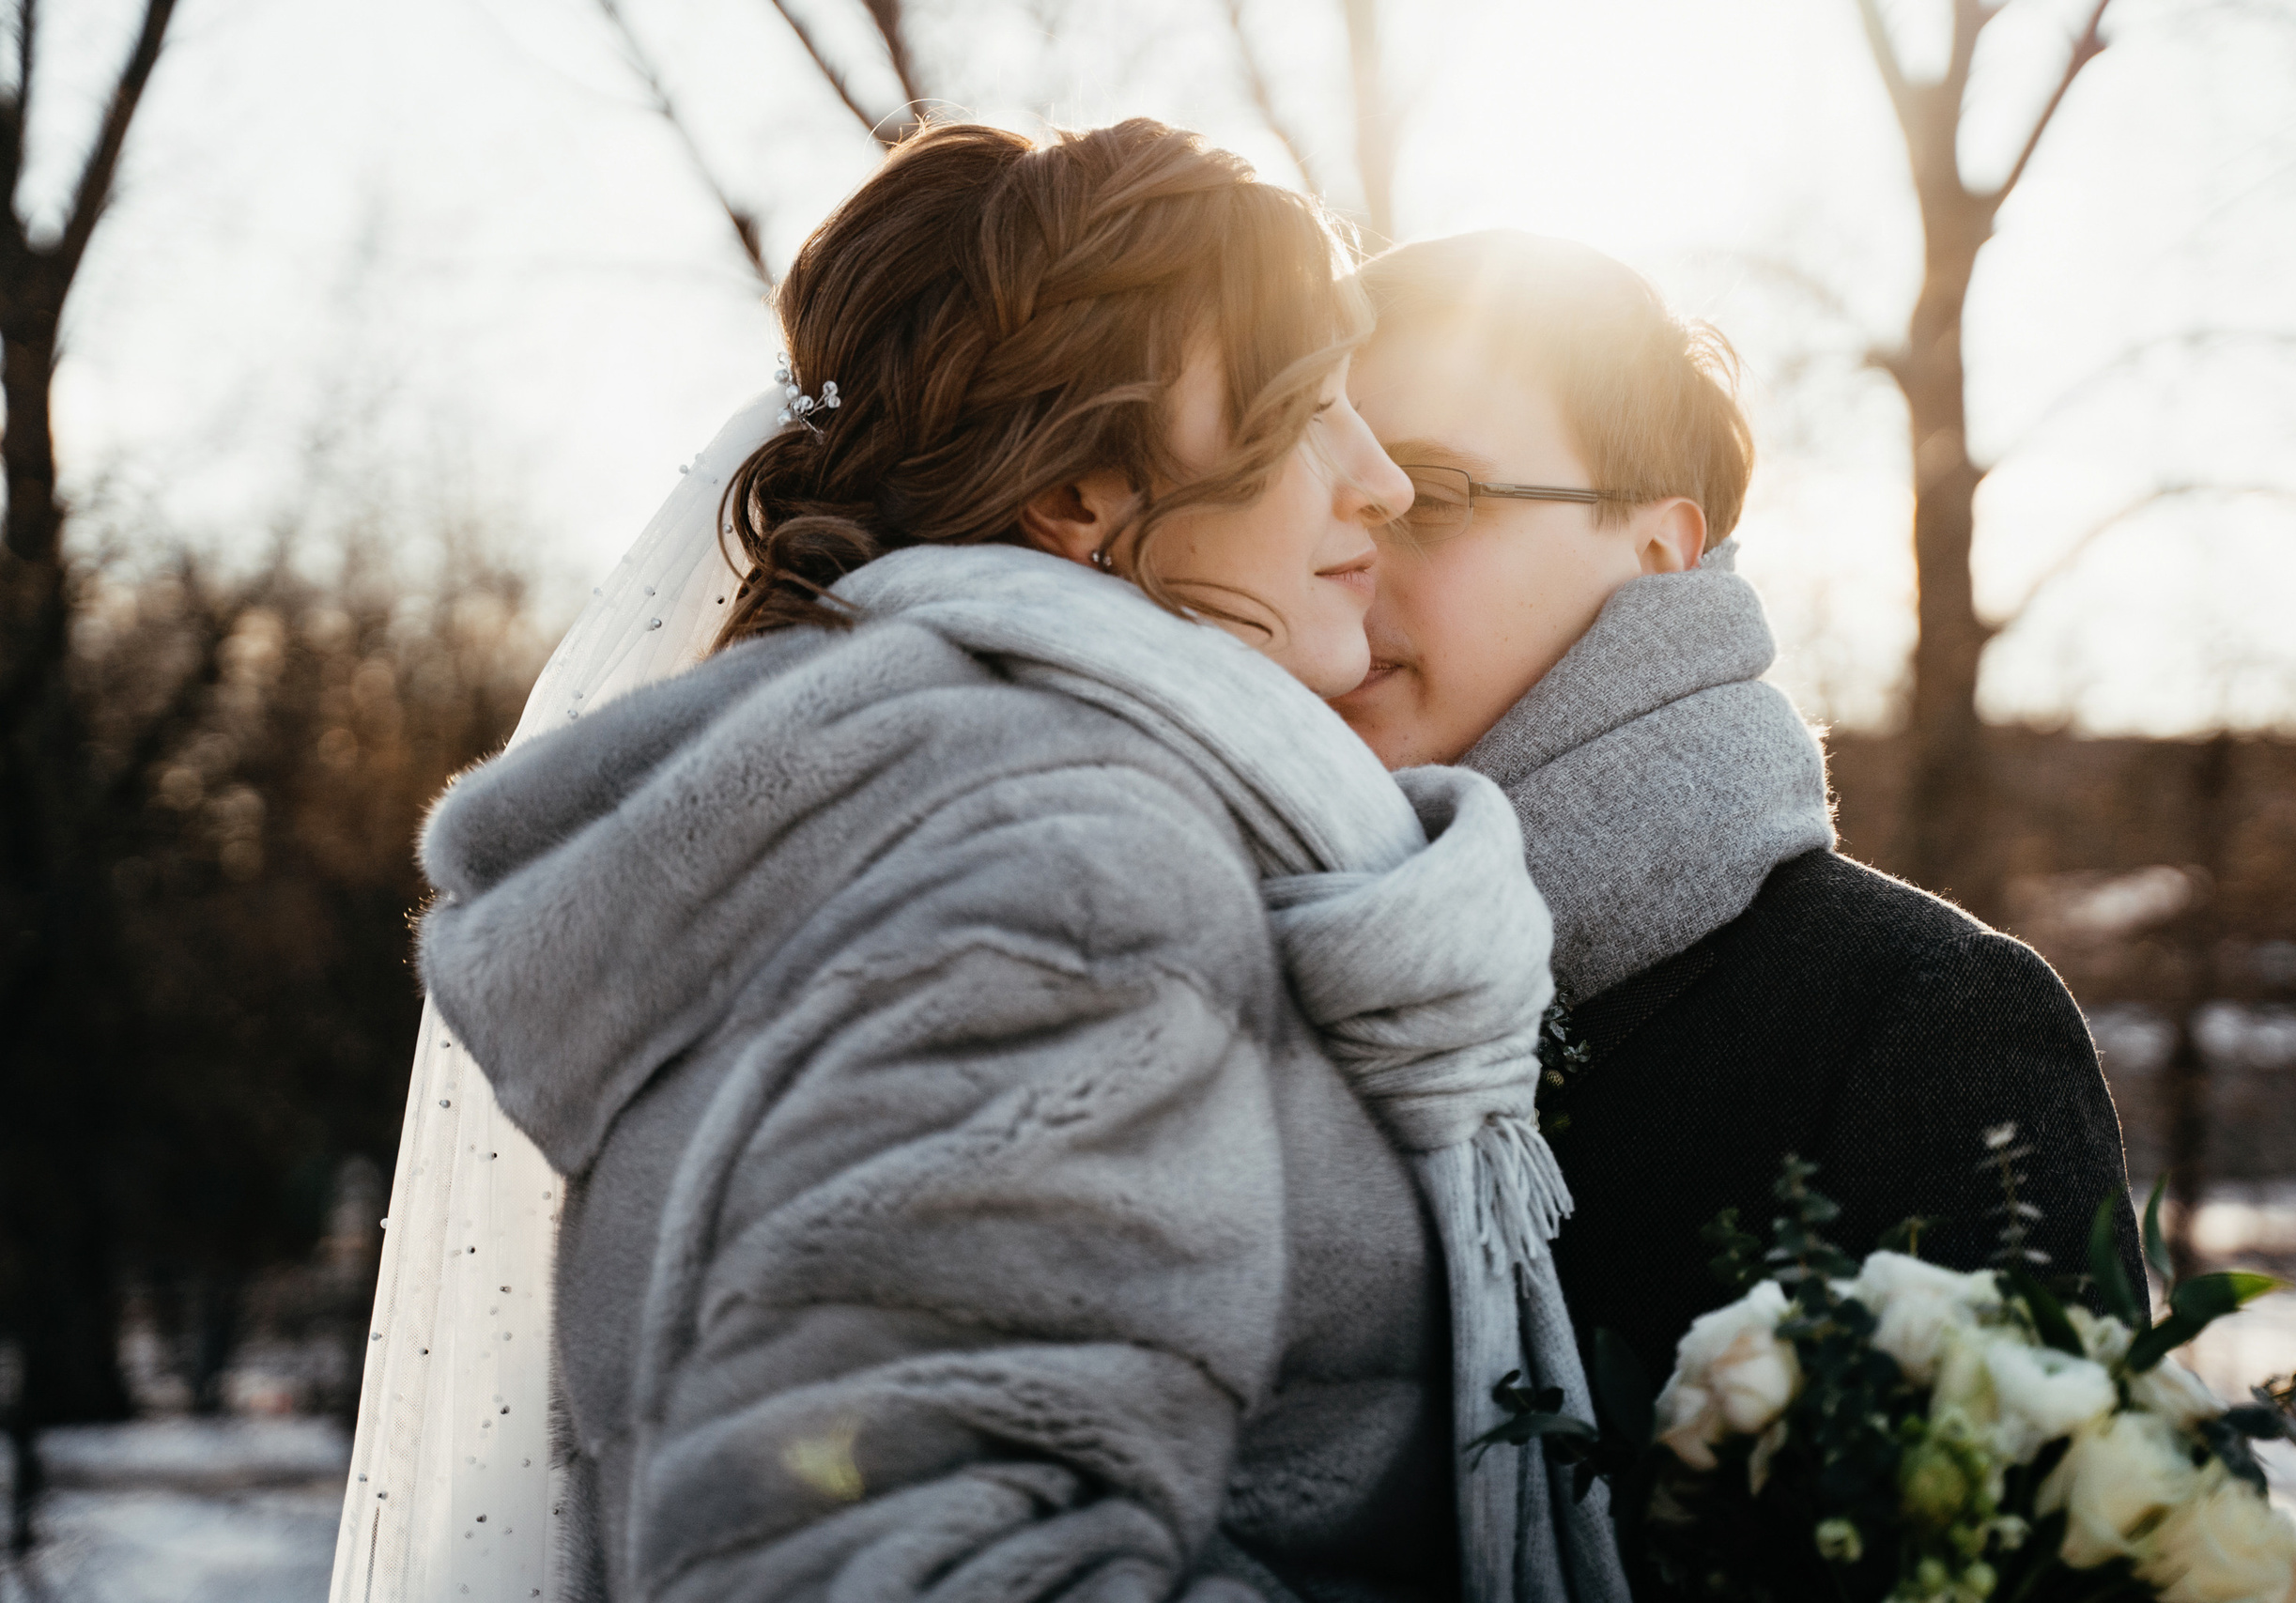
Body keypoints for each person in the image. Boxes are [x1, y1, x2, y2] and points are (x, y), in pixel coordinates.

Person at [407, 130, 1628, 1603]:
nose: (1372, 480)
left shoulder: (906, 815)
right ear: (1077, 497)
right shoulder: (1060, 872)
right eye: (1305, 410)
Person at [1330, 230, 2144, 1397]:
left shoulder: (1921, 1021)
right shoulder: (1222, 962)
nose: (1340, 559)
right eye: (1317, 494)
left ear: (1660, 550)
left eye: (1432, 498)